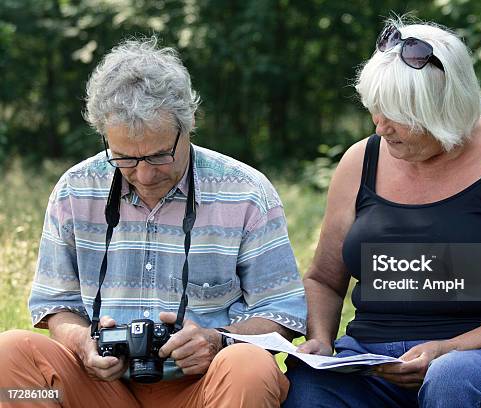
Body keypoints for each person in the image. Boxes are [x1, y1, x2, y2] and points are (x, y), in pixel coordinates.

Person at [0, 37, 306, 408]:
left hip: (205, 388)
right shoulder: (75, 189)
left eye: (159, 156)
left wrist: (217, 340)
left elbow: (282, 314)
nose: (143, 175)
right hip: (100, 389)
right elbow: (57, 305)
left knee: (249, 366)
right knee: (10, 354)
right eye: (125, 158)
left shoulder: (246, 192)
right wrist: (82, 344)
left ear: (188, 126)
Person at [283, 18, 481, 408]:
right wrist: (320, 339)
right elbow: (324, 280)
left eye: (397, 115)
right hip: (375, 362)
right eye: (375, 110)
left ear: (446, 108)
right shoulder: (360, 160)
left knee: (451, 380)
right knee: (307, 388)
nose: (380, 127)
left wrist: (450, 348)